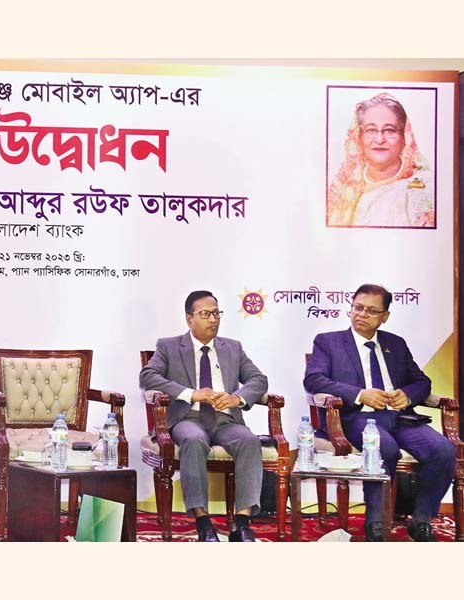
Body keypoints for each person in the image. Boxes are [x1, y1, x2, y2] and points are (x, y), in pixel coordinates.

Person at [303, 283, 455, 541]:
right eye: (358, 308)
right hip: (357, 416)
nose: (362, 314)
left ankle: (421, 520)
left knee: (443, 450)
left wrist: (406, 395)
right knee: (385, 449)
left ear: (385, 316)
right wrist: (360, 394)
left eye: (371, 311)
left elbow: (422, 382)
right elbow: (314, 380)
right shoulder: (328, 342)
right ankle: (376, 523)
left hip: (401, 418)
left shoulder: (395, 344)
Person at [139, 290, 268, 542]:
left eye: (217, 313)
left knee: (249, 441)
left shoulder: (232, 347)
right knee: (194, 439)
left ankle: (242, 523)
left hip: (225, 420)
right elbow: (147, 377)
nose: (213, 319)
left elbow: (258, 379)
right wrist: (191, 394)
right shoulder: (169, 346)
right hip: (187, 418)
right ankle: (203, 522)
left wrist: (237, 398)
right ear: (189, 319)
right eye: (206, 314)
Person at [327, 92, 434, 227]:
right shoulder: (342, 187)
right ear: (358, 137)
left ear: (404, 138)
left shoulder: (425, 188)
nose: (379, 139)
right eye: (371, 130)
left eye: (389, 130)